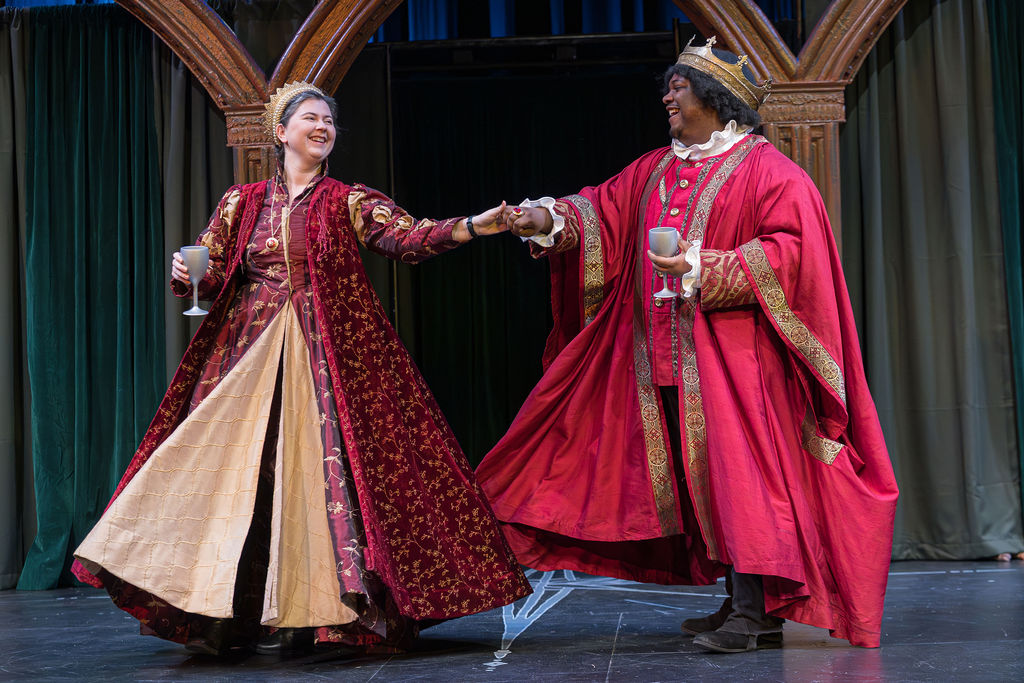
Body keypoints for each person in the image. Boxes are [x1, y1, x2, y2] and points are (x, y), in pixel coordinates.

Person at [72, 81, 530, 656]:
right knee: (240, 470)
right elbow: (212, 272)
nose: (322, 127)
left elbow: (405, 238)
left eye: (329, 121)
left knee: (323, 470)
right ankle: (229, 615)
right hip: (249, 348)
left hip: (326, 349)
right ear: (281, 132)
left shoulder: (348, 200)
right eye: (311, 118)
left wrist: (471, 226)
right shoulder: (242, 202)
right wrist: (190, 274)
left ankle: (325, 612)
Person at [476, 37, 899, 653]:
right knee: (700, 479)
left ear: (715, 97)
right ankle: (742, 600)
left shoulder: (770, 171)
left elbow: (790, 253)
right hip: (659, 358)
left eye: (679, 87)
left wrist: (704, 266)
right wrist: (541, 219)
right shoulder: (656, 168)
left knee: (740, 481)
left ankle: (756, 614)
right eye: (668, 88)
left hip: (738, 363)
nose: (668, 97)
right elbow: (599, 213)